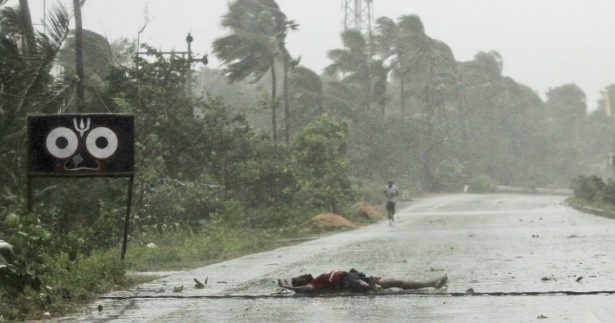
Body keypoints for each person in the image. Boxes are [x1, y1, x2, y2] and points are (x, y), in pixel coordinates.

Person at [277, 268, 447, 294]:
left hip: (354, 275)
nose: (303, 274)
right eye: (298, 277)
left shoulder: (318, 276)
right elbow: (306, 291)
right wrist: (289, 287)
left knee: (397, 282)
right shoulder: (312, 284)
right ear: (300, 282)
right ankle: (372, 288)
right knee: (360, 285)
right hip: (348, 282)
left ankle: (432, 283)